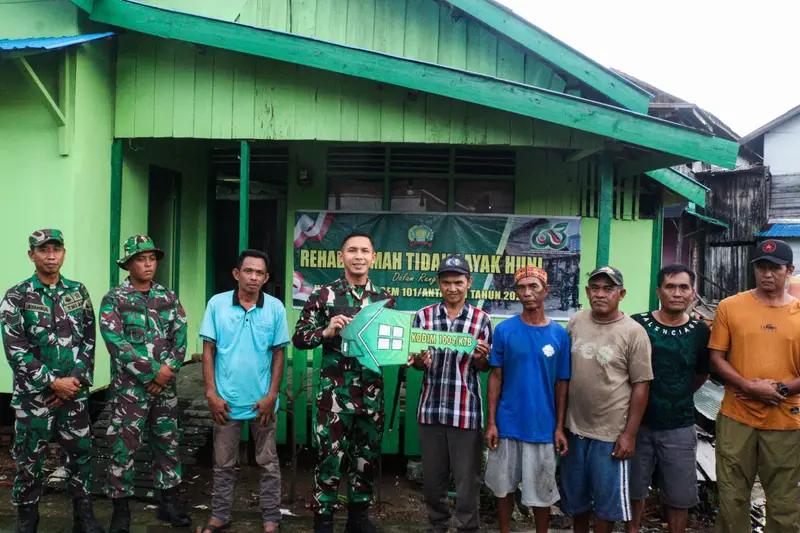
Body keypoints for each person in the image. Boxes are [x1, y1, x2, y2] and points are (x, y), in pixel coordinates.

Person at [0, 229, 104, 533]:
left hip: (74, 395)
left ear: (64, 253)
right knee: (29, 461)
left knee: (80, 457)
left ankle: (83, 517)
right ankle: (27, 520)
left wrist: (74, 381)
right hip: (35, 399)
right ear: (31, 255)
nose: (50, 256)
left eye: (56, 249)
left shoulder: (78, 291)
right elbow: (15, 349)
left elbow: (88, 338)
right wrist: (51, 383)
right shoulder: (17, 296)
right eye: (43, 250)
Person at [292, 232, 393, 533]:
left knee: (366, 460)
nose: (358, 256)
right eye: (352, 250)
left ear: (373, 257)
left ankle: (358, 519)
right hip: (334, 398)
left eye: (365, 250)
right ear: (341, 257)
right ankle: (324, 519)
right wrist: (326, 331)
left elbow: (392, 344)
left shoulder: (384, 300)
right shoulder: (324, 296)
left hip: (371, 397)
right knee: (329, 459)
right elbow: (299, 338)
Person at [100, 235, 190, 532]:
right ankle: (121, 511)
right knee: (123, 448)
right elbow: (116, 343)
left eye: (152, 258)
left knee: (167, 443)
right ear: (128, 264)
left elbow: (180, 336)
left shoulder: (168, 296)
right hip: (130, 390)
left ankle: (168, 504)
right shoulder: (114, 299)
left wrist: (169, 370)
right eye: (141, 258)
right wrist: (152, 373)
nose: (148, 263)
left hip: (165, 389)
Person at [709, 239, 800, 532]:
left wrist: (782, 390)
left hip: (787, 420)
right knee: (731, 496)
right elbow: (716, 357)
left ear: (790, 270)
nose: (767, 274)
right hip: (738, 416)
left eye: (775, 268)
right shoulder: (730, 307)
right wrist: (748, 387)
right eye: (761, 267)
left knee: (785, 502)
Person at [198, 249, 289, 533]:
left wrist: (272, 395)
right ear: (237, 273)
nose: (253, 277)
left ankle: (271, 518)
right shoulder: (217, 305)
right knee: (223, 464)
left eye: (259, 273)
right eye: (248, 271)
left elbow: (278, 354)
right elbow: (208, 350)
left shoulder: (275, 308)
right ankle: (220, 514)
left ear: (266, 278)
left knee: (268, 463)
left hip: (261, 402)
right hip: (226, 401)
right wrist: (211, 394)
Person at [559, 266, 652, 533]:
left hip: (610, 435)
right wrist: (560, 426)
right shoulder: (576, 321)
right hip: (574, 431)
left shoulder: (634, 332)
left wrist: (629, 435)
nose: (600, 294)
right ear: (587, 292)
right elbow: (564, 376)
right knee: (576, 502)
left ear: (621, 294)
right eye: (595, 288)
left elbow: (641, 386)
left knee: (606, 506)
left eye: (608, 289)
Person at [407, 254, 492, 533]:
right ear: (438, 284)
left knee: (468, 482)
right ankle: (437, 526)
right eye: (446, 282)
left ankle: (468, 528)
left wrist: (481, 357)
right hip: (431, 409)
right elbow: (417, 362)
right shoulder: (424, 316)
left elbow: (482, 366)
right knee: (433, 481)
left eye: (458, 282)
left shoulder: (481, 320)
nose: (452, 288)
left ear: (469, 282)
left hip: (465, 411)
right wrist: (420, 359)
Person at [484, 266, 570, 533]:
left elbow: (561, 383)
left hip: (542, 427)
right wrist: (492, 423)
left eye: (534, 287)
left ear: (546, 291)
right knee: (503, 488)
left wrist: (558, 427)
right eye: (521, 288)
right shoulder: (505, 330)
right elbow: (495, 377)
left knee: (542, 492)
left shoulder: (559, 335)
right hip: (508, 424)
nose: (527, 293)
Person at [627, 265, 710, 533]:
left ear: (692, 293)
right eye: (670, 287)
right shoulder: (637, 325)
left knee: (679, 495)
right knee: (634, 490)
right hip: (636, 424)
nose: (677, 293)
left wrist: (677, 395)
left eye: (683, 287)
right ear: (658, 292)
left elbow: (701, 373)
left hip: (680, 424)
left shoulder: (699, 332)